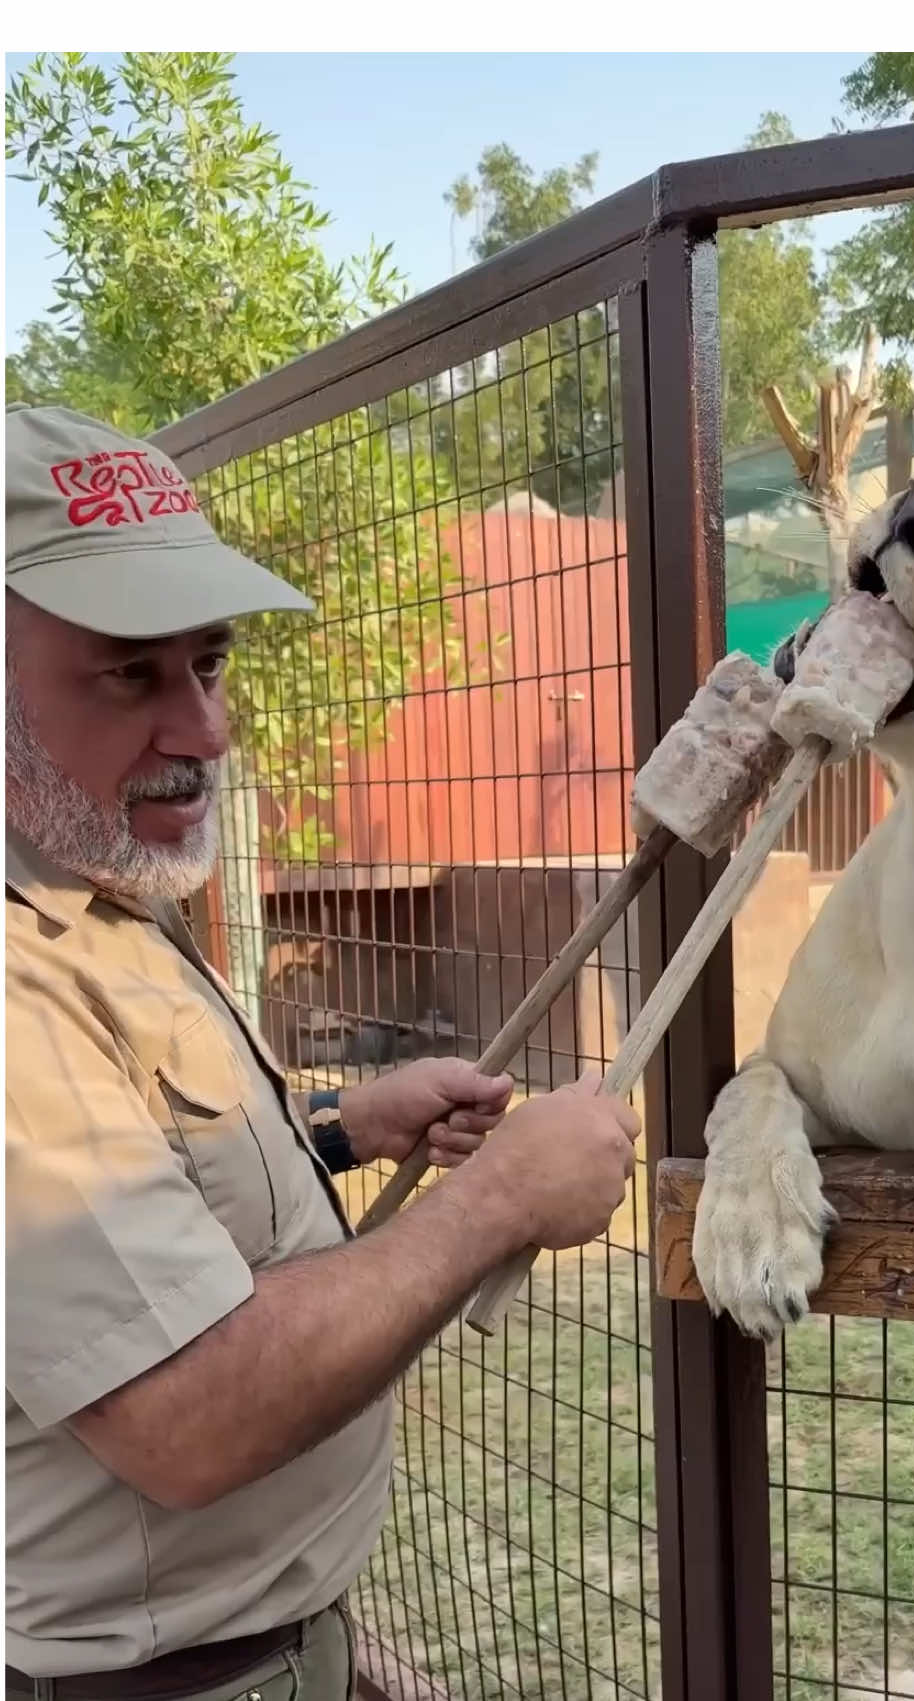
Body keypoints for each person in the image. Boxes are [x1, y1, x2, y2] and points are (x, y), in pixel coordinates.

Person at [4, 403, 642, 1700]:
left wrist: (347, 1124)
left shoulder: (100, 894)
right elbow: (186, 1410)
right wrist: (500, 1196)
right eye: (128, 673)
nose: (205, 730)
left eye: (209, 663)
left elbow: (154, 1189)